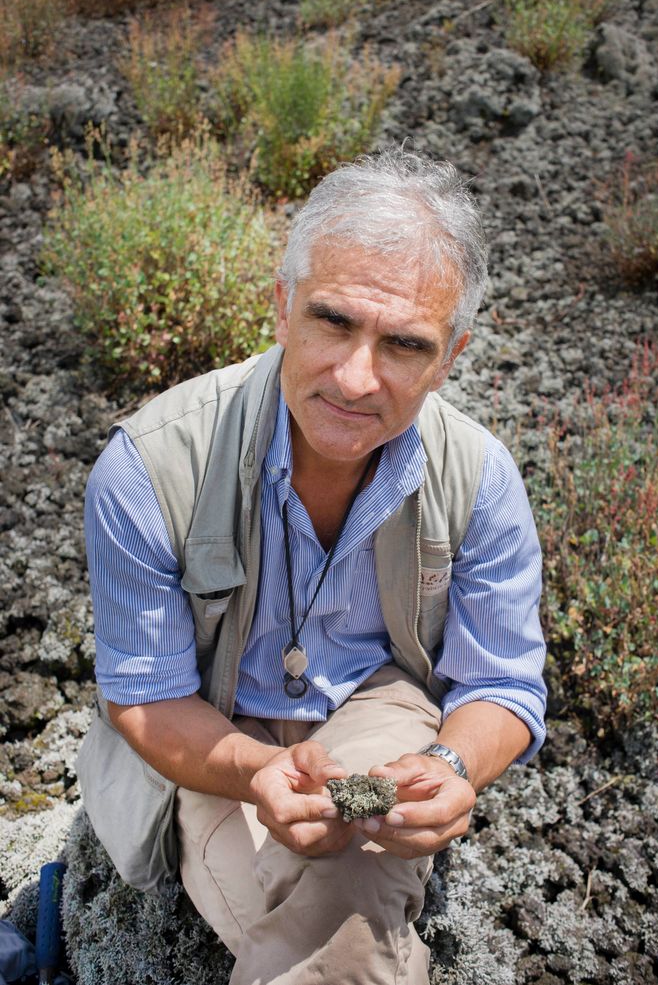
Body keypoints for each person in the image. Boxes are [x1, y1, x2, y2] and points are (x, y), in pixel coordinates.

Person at [79, 147, 546, 985]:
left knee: (358, 874)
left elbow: (504, 683)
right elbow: (145, 697)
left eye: (405, 344)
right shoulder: (150, 468)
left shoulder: (478, 478)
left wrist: (450, 765)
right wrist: (259, 772)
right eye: (333, 321)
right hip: (212, 727)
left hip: (379, 706)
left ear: (451, 355)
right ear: (282, 306)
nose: (357, 377)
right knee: (348, 943)